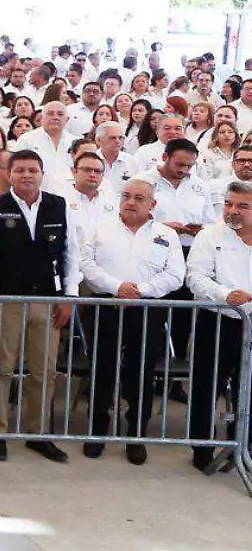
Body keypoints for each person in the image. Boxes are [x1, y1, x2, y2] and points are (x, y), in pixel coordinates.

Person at [0, 148, 79, 463]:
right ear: (8, 174)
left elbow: (71, 254)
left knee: (45, 371)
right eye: (20, 170)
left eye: (32, 170)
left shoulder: (60, 206)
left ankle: (39, 435)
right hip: (6, 300)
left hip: (47, 301)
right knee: (1, 368)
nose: (26, 175)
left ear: (41, 174)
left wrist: (69, 297)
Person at [78, 177, 184, 465]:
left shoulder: (166, 235)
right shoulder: (101, 229)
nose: (131, 202)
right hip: (107, 307)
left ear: (153, 204)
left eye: (139, 197)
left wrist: (141, 291)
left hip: (146, 310)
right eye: (127, 195)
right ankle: (96, 431)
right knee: (102, 371)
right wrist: (116, 287)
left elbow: (175, 274)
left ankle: (136, 436)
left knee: (141, 374)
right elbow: (86, 264)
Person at [186, 179, 252, 472]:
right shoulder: (209, 236)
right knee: (206, 386)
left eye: (242, 206)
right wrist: (226, 295)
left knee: (248, 390)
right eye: (228, 204)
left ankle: (243, 447)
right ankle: (202, 449)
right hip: (218, 321)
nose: (232, 211)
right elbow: (196, 278)